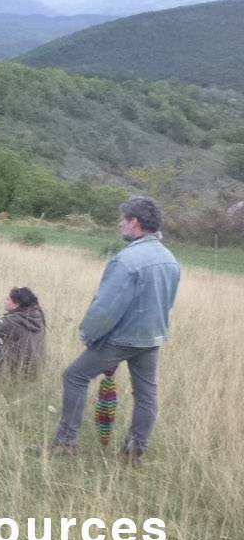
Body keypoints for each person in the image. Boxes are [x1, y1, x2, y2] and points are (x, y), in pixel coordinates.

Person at [48, 196, 180, 462]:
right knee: (146, 393)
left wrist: (89, 335)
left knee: (74, 376)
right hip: (152, 337)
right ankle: (134, 451)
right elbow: (169, 301)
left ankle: (66, 442)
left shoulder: (127, 260)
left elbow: (106, 308)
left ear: (135, 223)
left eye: (124, 219)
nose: (120, 224)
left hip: (122, 337)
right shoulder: (170, 259)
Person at [0, 287, 47, 375]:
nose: (5, 300)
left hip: (17, 371)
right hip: (37, 369)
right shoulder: (39, 317)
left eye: (8, 299)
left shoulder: (12, 322)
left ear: (16, 304)